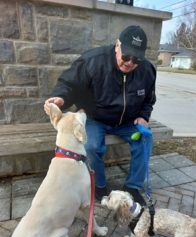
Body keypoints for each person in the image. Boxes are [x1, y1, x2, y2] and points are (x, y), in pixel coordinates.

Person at [44, 25, 156, 204]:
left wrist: (144, 116)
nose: (129, 63)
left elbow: (149, 98)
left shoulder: (148, 70)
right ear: (117, 46)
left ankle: (132, 187)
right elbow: (69, 83)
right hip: (96, 118)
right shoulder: (93, 60)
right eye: (126, 56)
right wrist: (61, 98)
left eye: (136, 60)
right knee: (92, 146)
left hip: (128, 121)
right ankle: (99, 186)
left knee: (145, 139)